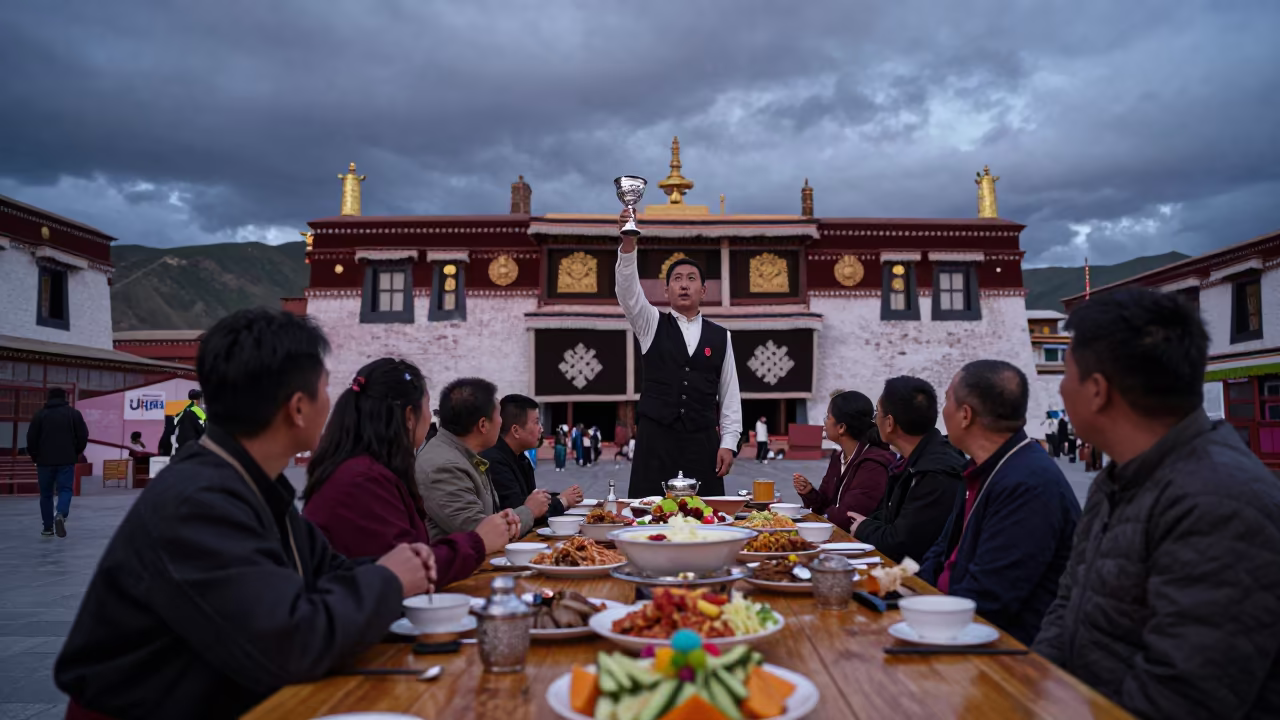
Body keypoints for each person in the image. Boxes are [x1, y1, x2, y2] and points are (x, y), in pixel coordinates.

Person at [55, 308, 438, 720]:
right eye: (325, 389)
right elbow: (290, 641)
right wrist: (388, 580)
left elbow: (325, 570)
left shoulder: (249, 483)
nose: (333, 403)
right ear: (297, 408)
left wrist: (394, 569)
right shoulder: (197, 502)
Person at [1032, 289, 1280, 719]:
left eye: (1066, 373)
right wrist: (1027, 692)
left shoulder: (1218, 501)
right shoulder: (1118, 478)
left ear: (1097, 391)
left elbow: (1185, 695)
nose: (1060, 388)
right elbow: (1067, 607)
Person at [302, 358, 517, 587]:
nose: (430, 417)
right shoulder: (362, 480)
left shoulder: (372, 470)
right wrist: (478, 542)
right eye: (426, 406)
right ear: (408, 416)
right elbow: (406, 572)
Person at [919, 360, 1080, 645]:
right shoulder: (982, 467)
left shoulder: (1028, 483)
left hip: (1004, 651)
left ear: (965, 415)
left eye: (946, 401)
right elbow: (943, 548)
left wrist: (921, 615)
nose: (942, 412)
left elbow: (990, 600)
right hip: (949, 617)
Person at [615, 210, 742, 496]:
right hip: (655, 440)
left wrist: (729, 443)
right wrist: (627, 244)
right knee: (648, 519)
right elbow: (628, 292)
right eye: (677, 279)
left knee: (708, 519)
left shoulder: (721, 336)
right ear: (667, 289)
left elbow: (730, 394)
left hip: (703, 441)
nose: (684, 284)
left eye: (692, 279)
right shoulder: (650, 323)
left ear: (704, 290)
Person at [847, 376, 965, 563]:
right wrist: (866, 523)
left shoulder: (935, 472)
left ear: (890, 423)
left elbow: (903, 545)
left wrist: (864, 528)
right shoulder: (912, 461)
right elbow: (890, 518)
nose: (875, 419)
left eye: (877, 412)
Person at [416, 377, 532, 540]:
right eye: (499, 415)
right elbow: (482, 533)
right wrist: (530, 511)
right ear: (483, 425)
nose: (501, 422)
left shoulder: (464, 454)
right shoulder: (443, 467)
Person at [793, 391, 894, 532]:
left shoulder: (873, 464)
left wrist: (817, 520)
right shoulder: (838, 458)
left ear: (841, 427)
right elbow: (824, 504)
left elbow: (848, 516)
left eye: (828, 417)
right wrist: (809, 493)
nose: (824, 422)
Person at [482, 394, 584, 525]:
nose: (541, 428)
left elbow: (530, 500)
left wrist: (563, 496)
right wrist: (563, 501)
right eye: (536, 422)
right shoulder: (495, 461)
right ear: (516, 430)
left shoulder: (520, 458)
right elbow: (522, 511)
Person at [26, 387, 88, 538]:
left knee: (46, 494)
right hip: (66, 460)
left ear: (49, 398)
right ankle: (60, 514)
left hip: (44, 461)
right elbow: (83, 435)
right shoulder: (73, 414)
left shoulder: (40, 415)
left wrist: (35, 457)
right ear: (64, 397)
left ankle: (47, 528)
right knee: (65, 490)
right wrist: (75, 453)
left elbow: (31, 438)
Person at [173, 388, 207, 452]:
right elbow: (204, 429)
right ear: (198, 400)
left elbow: (175, 423)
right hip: (194, 447)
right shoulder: (199, 412)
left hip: (181, 446)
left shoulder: (184, 410)